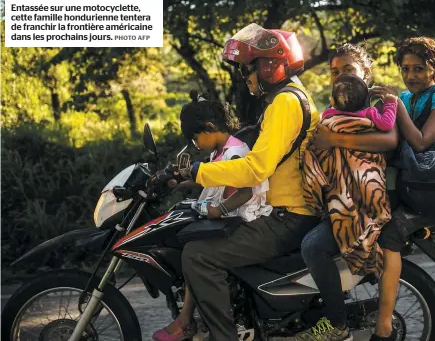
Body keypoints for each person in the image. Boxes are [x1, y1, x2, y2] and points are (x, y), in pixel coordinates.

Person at [154, 23, 321, 341]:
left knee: (198, 255)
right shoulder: (285, 100)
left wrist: (197, 172)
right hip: (285, 211)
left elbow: (255, 169)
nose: (247, 77)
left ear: (271, 64)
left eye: (250, 69)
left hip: (287, 217)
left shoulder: (286, 103)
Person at [368, 37, 435, 341]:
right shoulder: (406, 96)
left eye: (419, 69)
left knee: (390, 234)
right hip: (417, 185)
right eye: (406, 68)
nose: (411, 75)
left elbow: (422, 141)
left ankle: (383, 326)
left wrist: (395, 105)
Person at [296, 45, 399, 341]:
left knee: (312, 246)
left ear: (365, 75)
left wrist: (333, 139)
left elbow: (388, 139)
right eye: (335, 71)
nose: (341, 76)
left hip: (363, 205)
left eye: (349, 71)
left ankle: (336, 323)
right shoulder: (329, 113)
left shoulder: (376, 109)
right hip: (337, 199)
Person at [152, 91, 273, 341]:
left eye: (195, 139)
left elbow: (245, 189)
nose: (195, 146)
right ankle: (187, 317)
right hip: (230, 221)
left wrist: (222, 209)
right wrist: (180, 183)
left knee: (196, 254)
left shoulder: (236, 151)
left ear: (209, 128)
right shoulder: (219, 152)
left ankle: (202, 325)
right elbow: (216, 179)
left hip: (244, 221)